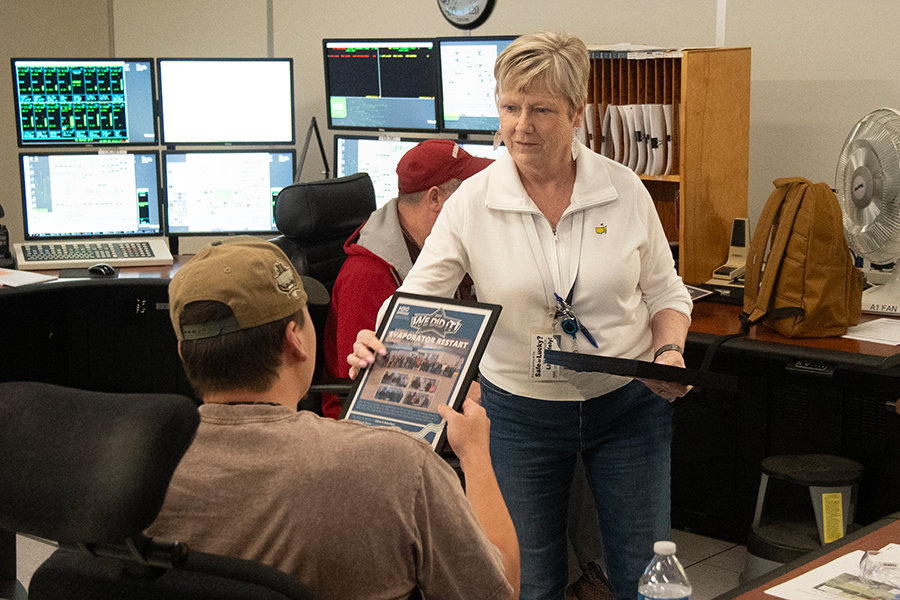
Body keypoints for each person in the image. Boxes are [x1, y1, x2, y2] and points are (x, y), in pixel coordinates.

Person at [347, 31, 693, 600]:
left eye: (541, 110)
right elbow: (417, 298)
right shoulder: (472, 201)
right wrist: (377, 338)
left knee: (640, 576)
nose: (520, 126)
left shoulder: (623, 189)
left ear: (578, 113)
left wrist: (669, 351)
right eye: (510, 107)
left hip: (627, 405)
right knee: (526, 581)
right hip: (519, 414)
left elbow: (667, 294)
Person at [146, 236, 519, 600]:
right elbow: (498, 590)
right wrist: (475, 456)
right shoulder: (402, 467)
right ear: (295, 339)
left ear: (183, 352)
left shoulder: (138, 465)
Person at [321, 139, 492, 419]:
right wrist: (465, 391)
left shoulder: (434, 252)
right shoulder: (366, 275)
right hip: (375, 420)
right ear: (436, 199)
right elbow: (370, 382)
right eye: (468, 192)